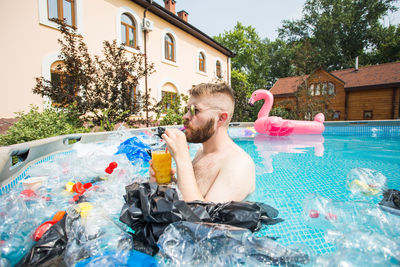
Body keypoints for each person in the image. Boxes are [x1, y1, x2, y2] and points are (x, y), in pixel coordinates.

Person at [150, 83, 255, 203]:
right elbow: (190, 196)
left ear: (221, 118)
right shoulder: (201, 152)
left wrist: (182, 157)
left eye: (195, 110)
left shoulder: (239, 163)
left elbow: (204, 218)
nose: (185, 116)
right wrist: (167, 183)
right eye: (187, 110)